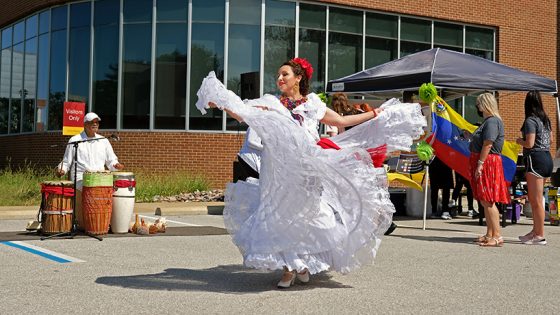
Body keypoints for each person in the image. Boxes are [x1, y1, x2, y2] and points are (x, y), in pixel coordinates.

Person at [197, 58, 426, 288]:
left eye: (284, 74)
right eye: (278, 75)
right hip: (278, 171)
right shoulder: (271, 103)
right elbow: (243, 114)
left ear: (298, 78)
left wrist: (374, 113)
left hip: (306, 168)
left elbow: (341, 120)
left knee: (305, 216)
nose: (279, 79)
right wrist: (223, 103)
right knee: (281, 216)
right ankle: (290, 268)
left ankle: (301, 263)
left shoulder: (312, 104)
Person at [330, 92, 398, 235]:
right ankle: (383, 221)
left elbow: (338, 140)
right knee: (369, 190)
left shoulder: (341, 118)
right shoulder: (358, 112)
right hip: (371, 155)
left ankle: (375, 222)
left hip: (354, 159)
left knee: (356, 191)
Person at [56, 112, 124, 229]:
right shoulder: (75, 140)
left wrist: (116, 165)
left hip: (100, 182)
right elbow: (66, 162)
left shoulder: (103, 140)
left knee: (97, 219)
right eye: (92, 122)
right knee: (83, 224)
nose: (95, 124)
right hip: (81, 181)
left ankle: (99, 225)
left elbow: (111, 160)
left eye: (97, 122)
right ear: (85, 124)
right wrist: (61, 169)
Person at [466, 93, 509, 247]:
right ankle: (489, 233)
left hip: (488, 162)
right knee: (485, 200)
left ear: (484, 104)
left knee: (488, 200)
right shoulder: (489, 121)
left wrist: (480, 163)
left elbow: (488, 144)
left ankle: (497, 235)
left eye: (478, 104)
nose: (477, 107)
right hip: (486, 161)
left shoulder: (492, 122)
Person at [516, 91, 552, 245]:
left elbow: (529, 143)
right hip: (546, 157)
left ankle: (540, 235)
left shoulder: (530, 120)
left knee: (535, 200)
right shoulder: (545, 119)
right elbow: (550, 139)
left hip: (535, 159)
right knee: (536, 198)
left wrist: (519, 141)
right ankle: (535, 231)